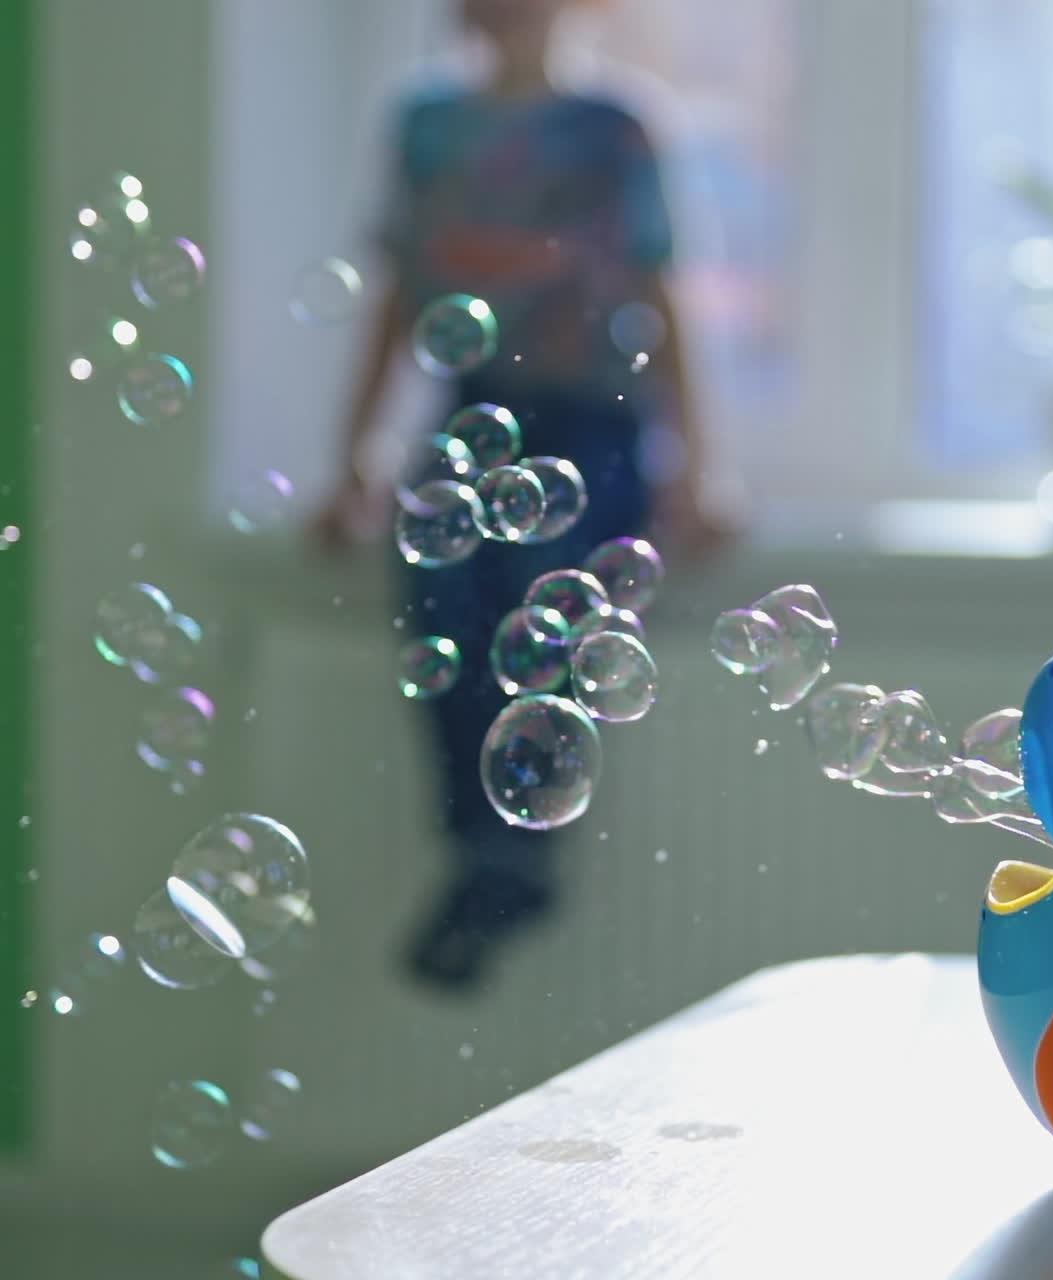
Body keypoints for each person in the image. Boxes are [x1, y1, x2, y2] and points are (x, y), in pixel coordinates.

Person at [312, 0, 726, 989]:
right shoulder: (425, 126)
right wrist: (356, 456)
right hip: (474, 407)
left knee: (544, 582)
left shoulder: (617, 128)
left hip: (596, 425)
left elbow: (661, 295)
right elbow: (397, 297)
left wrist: (701, 465)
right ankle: (487, 852)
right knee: (442, 593)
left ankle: (512, 855)